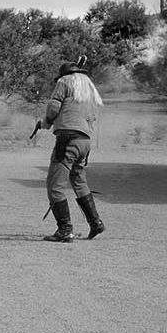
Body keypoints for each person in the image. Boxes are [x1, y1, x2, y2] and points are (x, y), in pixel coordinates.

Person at [38, 61, 105, 242]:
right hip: (84, 141)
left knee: (54, 186)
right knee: (79, 181)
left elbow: (54, 108)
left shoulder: (64, 81)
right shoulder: (89, 88)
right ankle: (96, 223)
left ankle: (65, 230)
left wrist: (46, 122)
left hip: (67, 139)